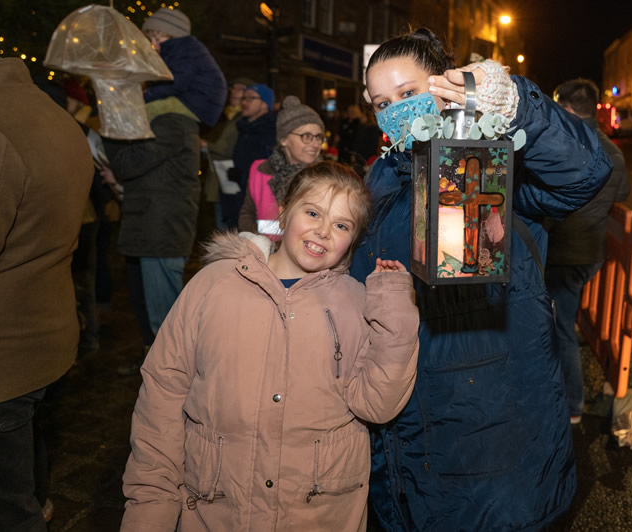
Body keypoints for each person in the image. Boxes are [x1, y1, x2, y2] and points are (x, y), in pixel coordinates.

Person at [351, 29, 612, 531]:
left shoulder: (490, 157)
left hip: (493, 427)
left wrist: (517, 104)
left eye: (408, 95)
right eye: (382, 102)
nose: (395, 111)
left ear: (445, 84)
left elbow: (585, 171)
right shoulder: (381, 176)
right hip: (407, 429)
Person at [120, 161, 420, 531]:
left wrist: (394, 310)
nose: (323, 232)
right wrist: (151, 512)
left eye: (342, 225)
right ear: (284, 210)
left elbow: (377, 405)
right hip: (216, 512)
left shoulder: (357, 303)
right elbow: (162, 396)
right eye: (312, 212)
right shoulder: (213, 284)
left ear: (353, 240)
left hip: (317, 516)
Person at [0, 57, 93, 531]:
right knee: (23, 443)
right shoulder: (52, 113)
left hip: (7, 341)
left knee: (10, 507)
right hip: (46, 327)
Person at [104, 7, 226, 375]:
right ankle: (161, 372)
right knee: (156, 317)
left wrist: (112, 128)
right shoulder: (170, 117)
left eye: (156, 39)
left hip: (161, 229)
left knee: (167, 323)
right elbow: (138, 170)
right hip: (153, 226)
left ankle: (174, 382)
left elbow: (131, 163)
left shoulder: (173, 120)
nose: (151, 45)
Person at [549, 78, 631, 424]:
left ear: (566, 108)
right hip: (592, 253)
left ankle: (572, 405)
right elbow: (622, 193)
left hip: (564, 252)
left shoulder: (562, 145)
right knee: (565, 321)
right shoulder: (612, 150)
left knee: (561, 327)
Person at [237, 95, 325, 235]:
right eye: (306, 136)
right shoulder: (260, 171)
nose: (315, 144)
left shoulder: (326, 177)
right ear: (284, 139)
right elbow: (247, 214)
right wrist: (259, 242)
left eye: (319, 136)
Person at [219, 83, 277, 228]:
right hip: (237, 202)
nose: (244, 102)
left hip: (256, 209)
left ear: (264, 104)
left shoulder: (270, 133)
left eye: (251, 98)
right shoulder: (244, 129)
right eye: (244, 98)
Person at [203, 76, 257, 230]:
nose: (234, 92)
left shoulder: (244, 120)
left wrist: (206, 144)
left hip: (232, 179)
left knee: (229, 227)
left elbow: (229, 147)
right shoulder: (226, 115)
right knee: (222, 226)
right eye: (233, 88)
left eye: (240, 89)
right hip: (220, 177)